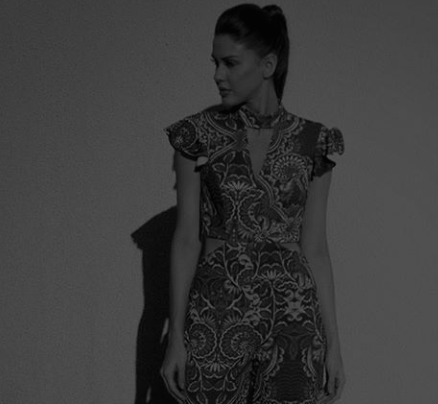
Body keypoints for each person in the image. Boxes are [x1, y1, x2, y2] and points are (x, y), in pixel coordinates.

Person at [161, 4, 346, 404]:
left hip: (293, 322)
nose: (218, 75)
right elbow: (187, 240)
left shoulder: (313, 141)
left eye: (230, 63)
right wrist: (175, 337)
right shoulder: (198, 135)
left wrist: (333, 344)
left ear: (267, 65)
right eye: (215, 63)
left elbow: (315, 248)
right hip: (216, 315)